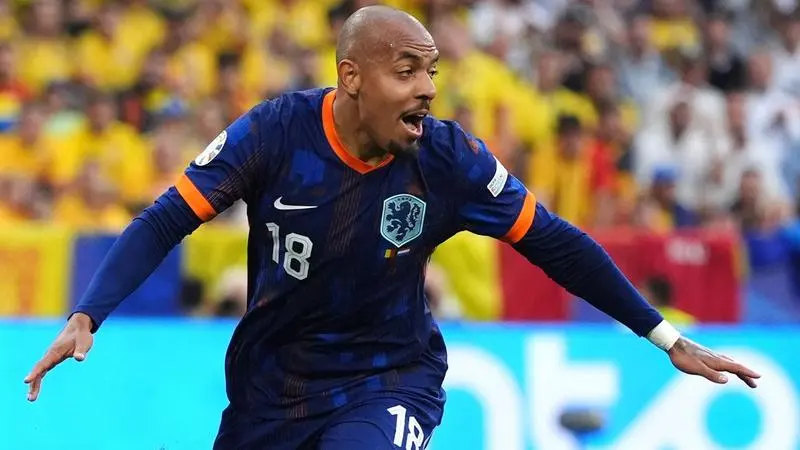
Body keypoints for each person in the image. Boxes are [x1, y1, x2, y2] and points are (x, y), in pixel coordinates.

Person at [24, 6, 760, 450]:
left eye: (431, 72)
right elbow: (165, 219)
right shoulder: (275, 134)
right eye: (407, 72)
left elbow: (555, 242)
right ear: (352, 78)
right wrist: (89, 313)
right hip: (271, 388)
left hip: (388, 379)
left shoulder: (449, 160)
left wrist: (665, 337)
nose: (427, 89)